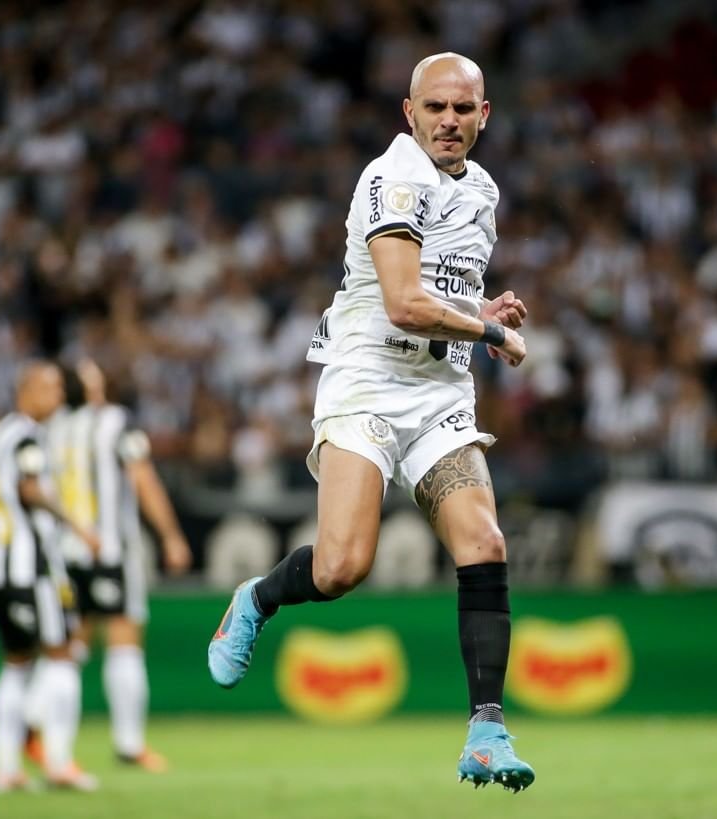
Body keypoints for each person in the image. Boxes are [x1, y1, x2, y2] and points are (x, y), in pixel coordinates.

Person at [208, 52, 534, 793]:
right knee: (342, 566)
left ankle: (487, 728)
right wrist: (495, 337)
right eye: (435, 108)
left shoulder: (481, 190)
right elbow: (403, 304)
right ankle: (256, 598)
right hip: (367, 383)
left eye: (463, 109)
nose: (448, 121)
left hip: (438, 391)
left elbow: (439, 294)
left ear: (485, 115)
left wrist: (480, 311)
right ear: (409, 112)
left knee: (484, 539)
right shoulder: (393, 177)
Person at [47, 359, 193, 772]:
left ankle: (46, 742)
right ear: (89, 386)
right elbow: (142, 479)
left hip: (62, 554)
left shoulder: (50, 427)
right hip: (109, 550)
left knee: (66, 652)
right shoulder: (114, 422)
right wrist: (170, 535)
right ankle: (129, 744)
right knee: (124, 643)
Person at [0, 361, 100, 792]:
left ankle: (6, 769)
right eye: (50, 387)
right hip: (31, 571)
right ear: (26, 390)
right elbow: (30, 489)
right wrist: (79, 527)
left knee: (15, 665)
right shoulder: (28, 435)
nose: (60, 396)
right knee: (62, 656)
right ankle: (59, 762)